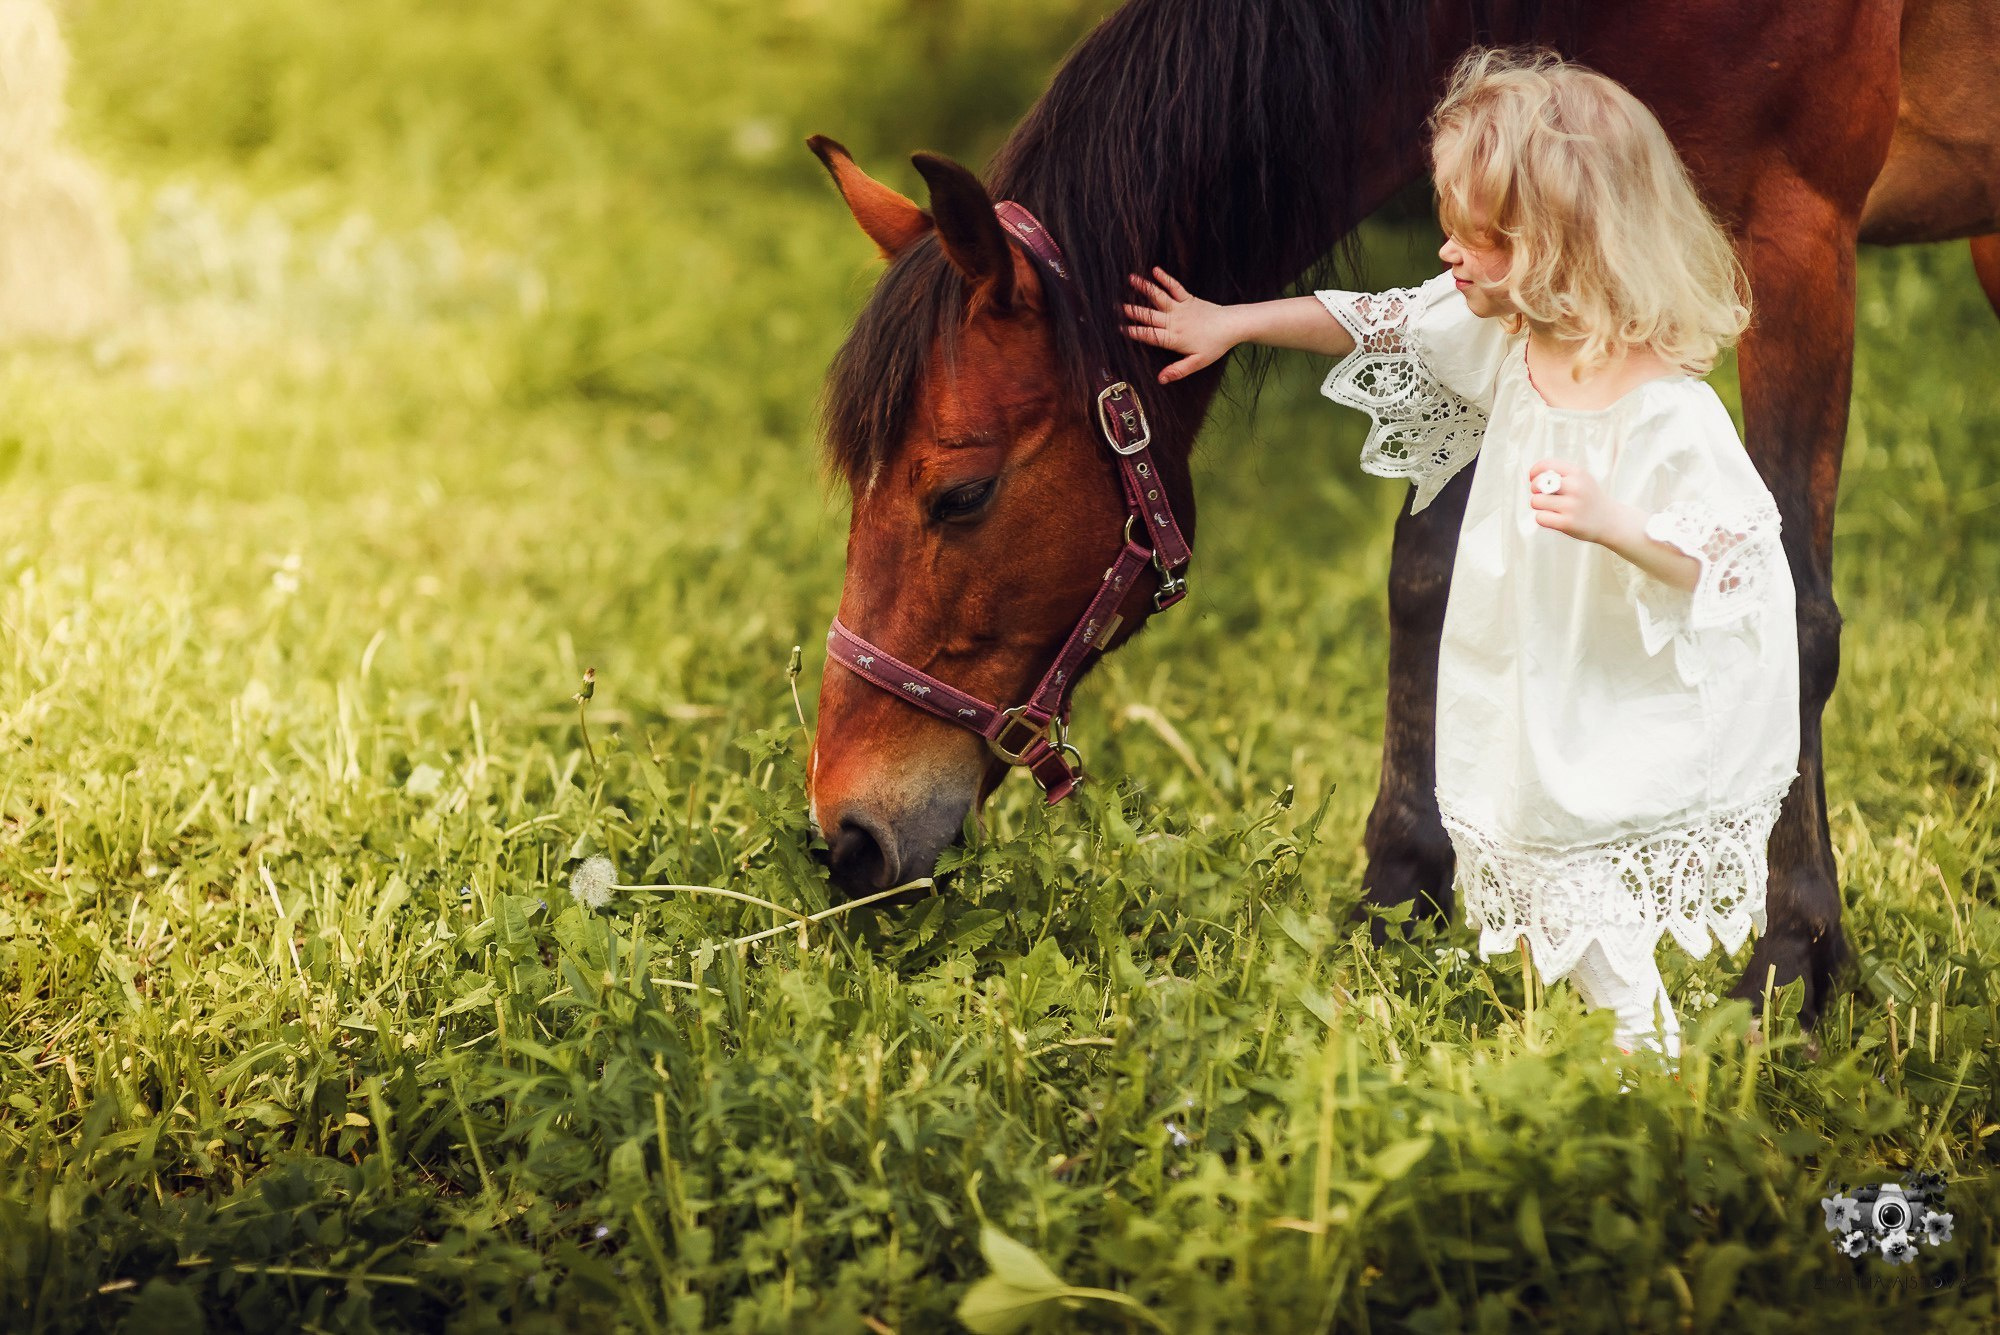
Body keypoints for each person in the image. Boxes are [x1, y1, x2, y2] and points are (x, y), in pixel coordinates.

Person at [1119, 46, 1801, 1064]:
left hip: (1622, 676)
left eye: (1483, 240)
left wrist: (1617, 521)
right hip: (1530, 666)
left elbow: (1729, 556)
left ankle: (1644, 1058)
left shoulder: (1667, 409)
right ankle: (1639, 1050)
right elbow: (1376, 322)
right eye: (1450, 231)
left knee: (1581, 851)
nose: (1450, 258)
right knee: (1538, 834)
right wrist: (1230, 323)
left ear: (1572, 243)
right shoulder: (1504, 339)